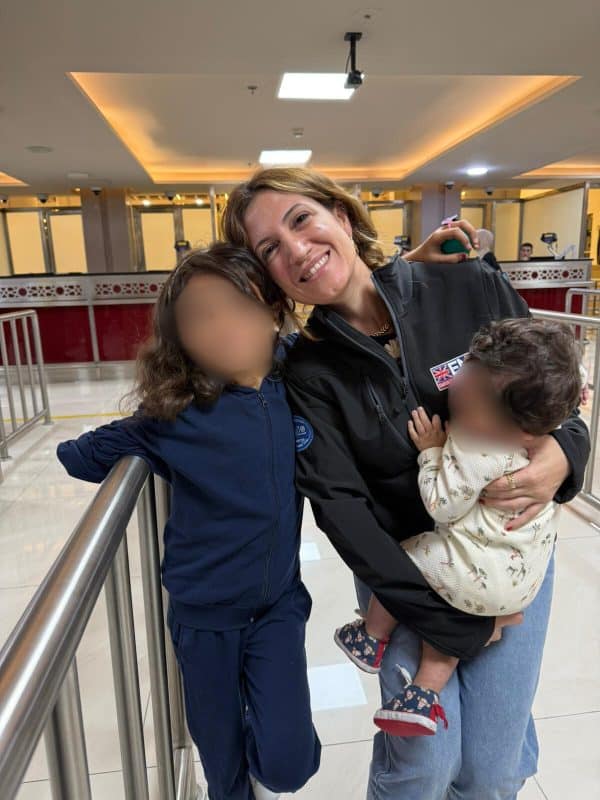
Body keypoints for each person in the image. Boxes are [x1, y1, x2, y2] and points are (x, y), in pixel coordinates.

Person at [221, 167, 590, 800]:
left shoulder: (465, 285)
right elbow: (340, 506)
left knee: (494, 769)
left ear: (340, 213)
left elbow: (556, 390)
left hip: (508, 557)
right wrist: (436, 616)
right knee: (421, 766)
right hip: (405, 572)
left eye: (301, 219)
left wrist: (565, 453)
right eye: (269, 249)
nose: (296, 250)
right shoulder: (308, 369)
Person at [56, 243, 321, 800]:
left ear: (274, 312)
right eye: (202, 316)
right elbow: (80, 456)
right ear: (180, 339)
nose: (225, 326)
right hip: (204, 618)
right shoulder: (174, 416)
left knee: (289, 763)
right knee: (221, 763)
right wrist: (120, 449)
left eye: (241, 305)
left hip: (278, 606)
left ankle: (263, 743)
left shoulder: (298, 382)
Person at [335, 317, 582, 737]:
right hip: (520, 588)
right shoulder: (542, 444)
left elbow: (442, 505)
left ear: (512, 427)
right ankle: (423, 696)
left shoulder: (476, 448)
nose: (452, 395)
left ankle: (371, 637)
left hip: (475, 578)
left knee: (407, 558)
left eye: (465, 407)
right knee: (454, 597)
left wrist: (432, 453)